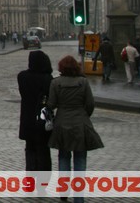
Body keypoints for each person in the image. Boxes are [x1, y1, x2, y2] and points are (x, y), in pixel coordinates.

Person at [47, 55, 104, 203]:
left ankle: (63, 192)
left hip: (62, 123)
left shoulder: (55, 83)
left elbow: (51, 105)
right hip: (80, 123)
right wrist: (84, 116)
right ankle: (79, 197)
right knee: (80, 159)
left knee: (64, 158)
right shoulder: (83, 82)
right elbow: (90, 104)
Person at [17, 50, 54, 194]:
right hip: (42, 120)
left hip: (27, 120)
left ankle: (30, 182)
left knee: (30, 151)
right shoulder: (47, 79)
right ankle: (42, 184)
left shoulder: (22, 77)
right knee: (43, 152)